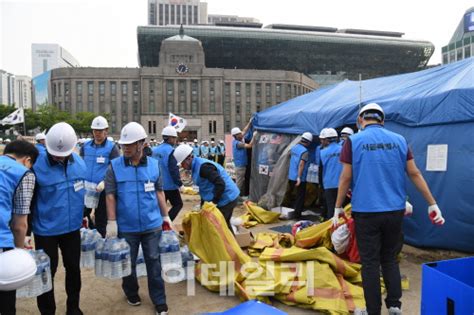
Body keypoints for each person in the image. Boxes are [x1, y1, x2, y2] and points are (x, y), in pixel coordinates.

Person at [333, 103, 445, 315]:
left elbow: (346, 177)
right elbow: (415, 173)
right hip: (395, 212)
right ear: (382, 121)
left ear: (360, 121)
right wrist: (433, 203)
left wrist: (338, 207)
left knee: (370, 263)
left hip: (366, 213)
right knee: (389, 259)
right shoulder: (400, 140)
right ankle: (394, 306)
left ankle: (373, 311)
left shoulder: (353, 141)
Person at [105, 122, 169, 315]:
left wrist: (165, 216)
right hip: (126, 226)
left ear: (141, 144)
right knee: (128, 263)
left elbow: (159, 192)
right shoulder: (114, 167)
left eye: (130, 144)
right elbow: (110, 195)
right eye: (123, 144)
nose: (125, 147)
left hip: (152, 225)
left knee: (154, 263)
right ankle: (131, 292)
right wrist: (112, 222)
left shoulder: (154, 165)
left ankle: (159, 300)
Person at [33, 122, 86, 315]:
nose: (59, 157)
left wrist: (85, 214)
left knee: (73, 269)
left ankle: (73, 307)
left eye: (64, 154)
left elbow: (82, 190)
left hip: (72, 228)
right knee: (47, 272)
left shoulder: (79, 162)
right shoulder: (35, 166)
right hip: (45, 230)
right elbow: (28, 201)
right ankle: (47, 311)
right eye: (55, 153)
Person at [0, 140, 38, 315]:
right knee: (5, 301)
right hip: (2, 241)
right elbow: (19, 224)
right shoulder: (24, 174)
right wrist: (19, 249)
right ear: (27, 160)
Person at [173, 144, 240, 232]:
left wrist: (213, 203)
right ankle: (229, 244)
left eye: (182, 163)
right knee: (222, 226)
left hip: (227, 197)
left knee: (219, 227)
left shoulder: (204, 167)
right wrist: (203, 206)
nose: (182, 166)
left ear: (188, 158)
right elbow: (204, 188)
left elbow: (220, 184)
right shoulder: (196, 167)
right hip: (222, 197)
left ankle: (227, 244)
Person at [80, 116, 120, 237]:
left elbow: (115, 168)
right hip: (87, 188)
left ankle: (101, 239)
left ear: (106, 131)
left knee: (101, 217)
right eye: (95, 130)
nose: (97, 133)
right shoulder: (85, 147)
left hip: (103, 189)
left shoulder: (112, 148)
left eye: (100, 131)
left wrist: (105, 182)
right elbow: (81, 165)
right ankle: (92, 231)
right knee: (82, 214)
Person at [152, 126, 184, 221]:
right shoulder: (171, 151)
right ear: (169, 138)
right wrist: (179, 184)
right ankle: (166, 223)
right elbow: (173, 169)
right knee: (178, 204)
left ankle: (157, 226)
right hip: (169, 185)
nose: (175, 140)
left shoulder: (154, 150)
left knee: (160, 207)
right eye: (174, 138)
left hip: (157, 184)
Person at [287, 132, 312, 220]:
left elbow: (289, 157)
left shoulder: (294, 148)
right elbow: (301, 164)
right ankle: (297, 214)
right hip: (300, 177)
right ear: (308, 142)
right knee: (300, 196)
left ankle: (291, 211)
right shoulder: (304, 151)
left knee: (292, 194)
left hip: (291, 175)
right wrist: (299, 177)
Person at [318, 128, 343, 220]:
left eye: (322, 139)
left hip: (329, 184)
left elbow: (320, 171)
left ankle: (331, 231)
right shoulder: (344, 150)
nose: (321, 141)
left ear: (327, 140)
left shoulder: (322, 153)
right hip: (343, 184)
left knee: (331, 209)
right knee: (342, 209)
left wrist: (320, 186)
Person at [231, 120, 254, 197]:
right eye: (240, 134)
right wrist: (255, 136)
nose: (242, 134)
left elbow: (244, 131)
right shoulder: (238, 144)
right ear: (236, 135)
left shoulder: (237, 139)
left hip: (240, 165)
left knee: (240, 182)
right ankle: (236, 198)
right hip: (240, 166)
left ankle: (237, 196)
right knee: (239, 183)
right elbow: (250, 146)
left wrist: (249, 123)